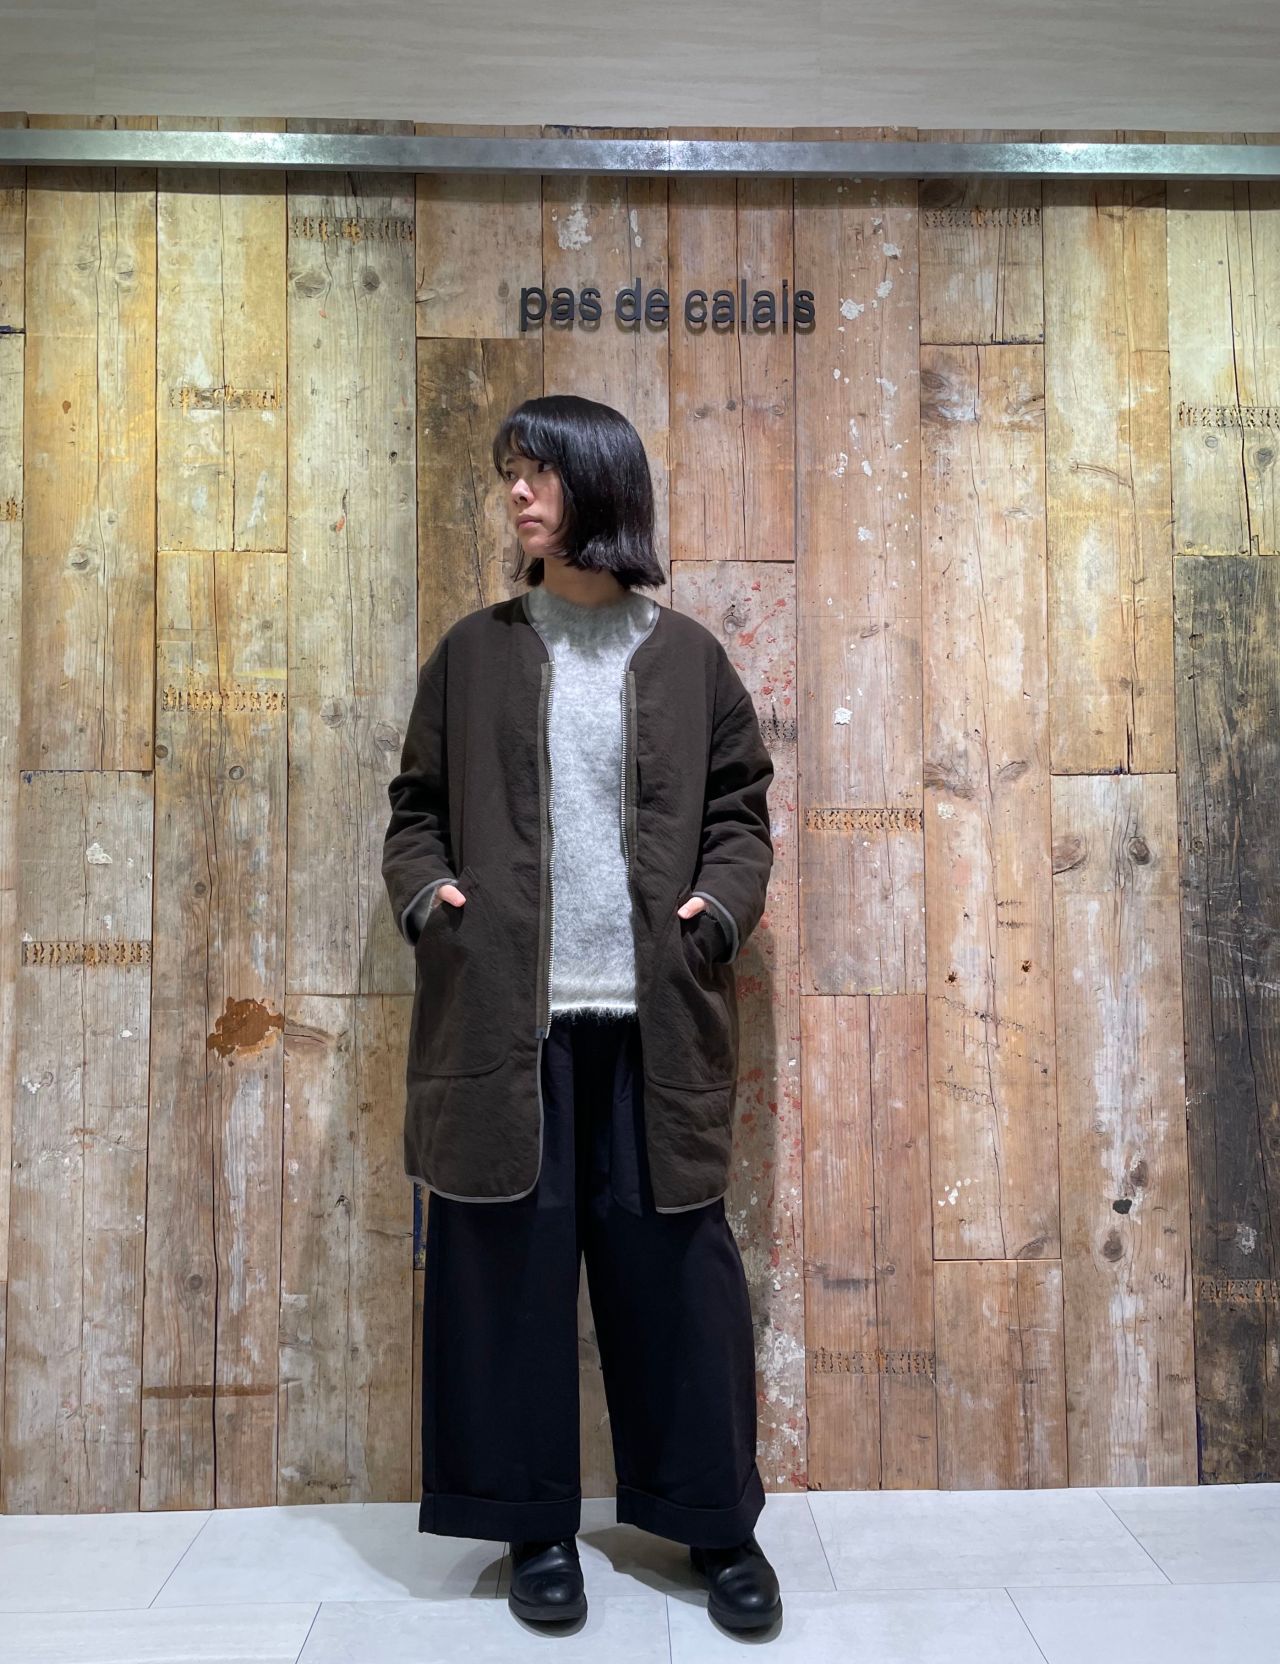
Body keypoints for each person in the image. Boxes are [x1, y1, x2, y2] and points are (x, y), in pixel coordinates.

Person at [382, 393, 780, 1631]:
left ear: (600, 484)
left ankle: (713, 1522)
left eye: (538, 471)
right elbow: (413, 809)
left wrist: (716, 910)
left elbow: (740, 813)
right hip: (507, 1021)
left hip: (654, 1025)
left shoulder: (690, 659)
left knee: (680, 1278)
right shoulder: (473, 653)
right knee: (502, 1276)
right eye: (510, 472)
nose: (516, 492)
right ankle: (530, 1525)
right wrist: (430, 898)